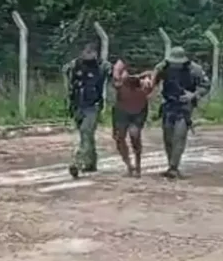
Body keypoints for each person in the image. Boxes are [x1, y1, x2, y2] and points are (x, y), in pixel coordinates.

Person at [149, 46, 211, 179]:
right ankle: (171, 164)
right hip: (168, 104)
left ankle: (173, 167)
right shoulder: (163, 67)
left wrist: (193, 95)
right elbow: (153, 81)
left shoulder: (195, 69)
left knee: (179, 135)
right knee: (168, 137)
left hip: (184, 106)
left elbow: (205, 86)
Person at [62, 43, 112, 178]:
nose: (89, 55)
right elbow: (67, 77)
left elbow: (114, 75)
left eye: (92, 52)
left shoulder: (102, 66)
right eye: (86, 52)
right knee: (87, 136)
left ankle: (77, 163)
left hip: (93, 106)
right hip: (77, 105)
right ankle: (91, 163)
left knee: (86, 132)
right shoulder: (74, 66)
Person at [110, 59, 155, 177]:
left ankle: (137, 164)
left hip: (138, 110)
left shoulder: (146, 80)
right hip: (122, 110)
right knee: (119, 137)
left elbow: (151, 81)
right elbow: (116, 78)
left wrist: (143, 78)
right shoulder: (120, 78)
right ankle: (129, 165)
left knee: (134, 134)